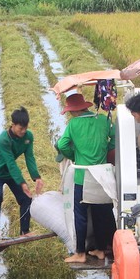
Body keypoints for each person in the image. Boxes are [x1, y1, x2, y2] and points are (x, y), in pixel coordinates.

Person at [56, 92, 117, 264]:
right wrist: (104, 150)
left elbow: (62, 145)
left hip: (82, 175)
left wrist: (74, 155)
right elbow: (114, 140)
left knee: (80, 215)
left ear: (74, 111)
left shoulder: (74, 124)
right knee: (101, 213)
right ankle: (101, 249)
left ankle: (80, 253)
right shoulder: (104, 119)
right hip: (102, 175)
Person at [0, 107, 43, 239]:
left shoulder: (28, 137)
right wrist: (22, 183)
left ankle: (24, 231)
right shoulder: (3, 139)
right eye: (20, 128)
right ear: (13, 125)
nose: (23, 131)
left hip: (11, 174)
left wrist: (36, 177)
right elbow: (10, 163)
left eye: (25, 128)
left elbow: (30, 157)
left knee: (26, 198)